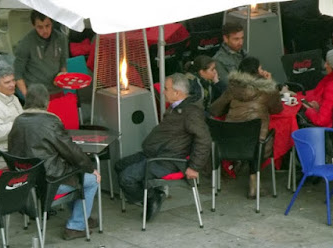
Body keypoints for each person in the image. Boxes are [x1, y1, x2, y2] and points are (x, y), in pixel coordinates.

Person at [7, 84, 101, 241]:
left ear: (27, 101)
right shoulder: (50, 121)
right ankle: (76, 226)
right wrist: (91, 169)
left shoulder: (17, 121)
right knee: (91, 180)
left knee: (77, 176)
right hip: (49, 183)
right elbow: (71, 151)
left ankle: (82, 215)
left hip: (24, 183)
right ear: (47, 102)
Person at [116, 73, 211, 221]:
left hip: (168, 160)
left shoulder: (191, 113)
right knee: (119, 165)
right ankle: (148, 195)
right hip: (155, 154)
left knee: (126, 178)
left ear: (177, 93)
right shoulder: (177, 107)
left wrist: (195, 167)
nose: (163, 92)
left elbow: (204, 139)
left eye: (166, 89)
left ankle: (153, 197)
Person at [210, 56, 283, 199]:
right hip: (257, 145)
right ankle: (253, 181)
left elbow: (214, 110)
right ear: (256, 71)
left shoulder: (232, 89)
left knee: (247, 137)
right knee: (263, 136)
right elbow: (277, 109)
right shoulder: (268, 90)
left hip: (229, 142)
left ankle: (239, 163)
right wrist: (269, 83)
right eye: (261, 68)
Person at [13, 10, 68, 98]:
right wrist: (27, 96)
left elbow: (63, 63)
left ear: (52, 24)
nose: (45, 30)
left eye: (47, 26)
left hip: (56, 90)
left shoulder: (61, 38)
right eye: (40, 27)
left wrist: (62, 75)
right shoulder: (25, 43)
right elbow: (17, 74)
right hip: (35, 93)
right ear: (33, 26)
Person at [213, 22, 246, 87]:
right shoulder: (218, 60)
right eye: (236, 39)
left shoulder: (244, 53)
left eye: (242, 38)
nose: (241, 43)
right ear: (225, 38)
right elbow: (228, 86)